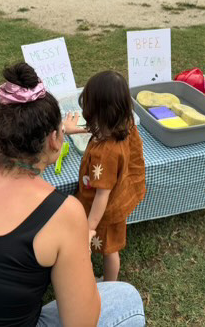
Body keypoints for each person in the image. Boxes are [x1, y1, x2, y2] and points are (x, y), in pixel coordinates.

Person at [0, 62, 145, 326]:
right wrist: (81, 255)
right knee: (126, 298)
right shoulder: (64, 213)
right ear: (54, 140)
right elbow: (82, 323)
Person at [75, 71, 146, 282]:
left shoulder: (105, 154)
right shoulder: (125, 123)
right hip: (118, 200)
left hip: (105, 212)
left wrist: (89, 228)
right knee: (110, 247)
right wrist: (74, 129)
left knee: (109, 250)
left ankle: (110, 285)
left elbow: (102, 195)